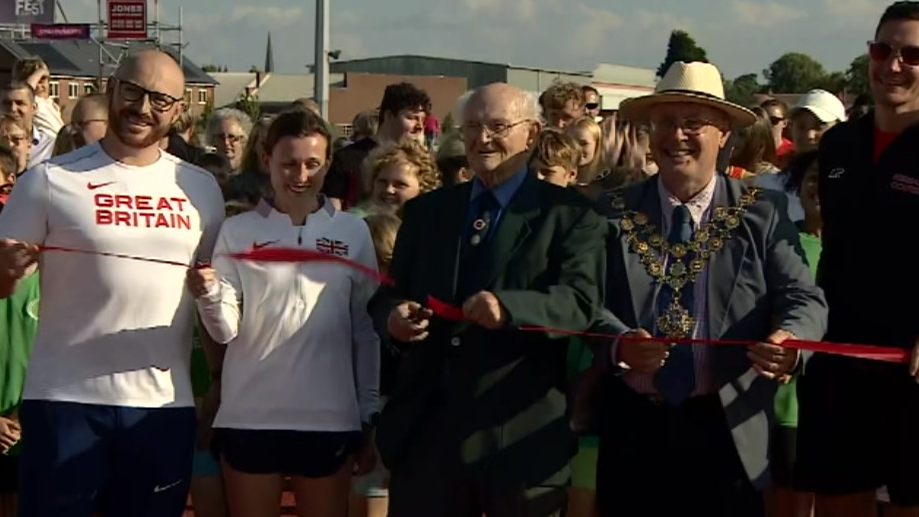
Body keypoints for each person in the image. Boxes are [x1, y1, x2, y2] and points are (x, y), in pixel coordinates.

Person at [588, 61, 828, 517]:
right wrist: (618, 342)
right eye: (664, 123)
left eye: (693, 123)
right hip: (635, 428)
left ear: (724, 134)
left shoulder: (763, 212)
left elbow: (804, 297)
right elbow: (582, 299)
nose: (676, 135)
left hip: (728, 427)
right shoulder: (609, 212)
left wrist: (790, 343)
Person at [0, 49, 225, 517]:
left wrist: (220, 383)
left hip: (162, 407)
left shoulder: (201, 188)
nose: (143, 108)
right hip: (64, 402)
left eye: (160, 100)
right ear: (110, 88)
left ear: (178, 110)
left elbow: (210, 294)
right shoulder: (48, 179)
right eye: (133, 92)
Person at [371, 82, 607, 517]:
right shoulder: (427, 212)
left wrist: (510, 308)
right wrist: (393, 317)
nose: (483, 138)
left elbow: (580, 303)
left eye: (498, 126)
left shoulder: (571, 215)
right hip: (427, 439)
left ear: (532, 134)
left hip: (517, 439)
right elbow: (389, 294)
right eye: (473, 126)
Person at [189, 108, 379, 517]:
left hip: (330, 418)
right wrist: (207, 295)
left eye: (313, 164)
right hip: (249, 416)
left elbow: (365, 330)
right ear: (266, 160)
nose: (301, 175)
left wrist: (368, 412)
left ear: (328, 164)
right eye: (289, 163)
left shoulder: (353, 231)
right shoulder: (238, 231)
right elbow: (224, 332)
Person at [794, 3, 919, 516]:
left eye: (912, 54)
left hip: (910, 366)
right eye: (882, 49)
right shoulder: (840, 142)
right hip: (840, 354)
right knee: (838, 498)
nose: (892, 64)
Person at [0, 82, 52, 170]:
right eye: (7, 103)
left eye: (20, 103)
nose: (13, 108)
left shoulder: (50, 147)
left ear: (34, 108)